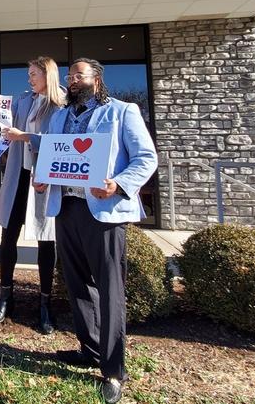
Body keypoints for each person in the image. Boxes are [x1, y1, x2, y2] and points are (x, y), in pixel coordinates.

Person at [38, 58, 157, 404]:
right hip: (67, 210)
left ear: (96, 79)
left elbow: (146, 158)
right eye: (70, 76)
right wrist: (43, 179)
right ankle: (89, 348)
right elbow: (50, 156)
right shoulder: (59, 116)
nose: (73, 80)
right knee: (77, 285)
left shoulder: (122, 111)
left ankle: (113, 370)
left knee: (109, 289)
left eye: (79, 75)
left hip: (103, 213)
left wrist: (119, 185)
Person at [0, 56, 66, 334]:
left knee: (46, 241)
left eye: (34, 74)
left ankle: (45, 305)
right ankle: (5, 297)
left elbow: (62, 143)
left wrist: (26, 137)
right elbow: (3, 127)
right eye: (28, 74)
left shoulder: (63, 103)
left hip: (46, 179)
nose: (29, 79)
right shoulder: (22, 99)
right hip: (18, 176)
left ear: (48, 74)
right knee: (8, 236)